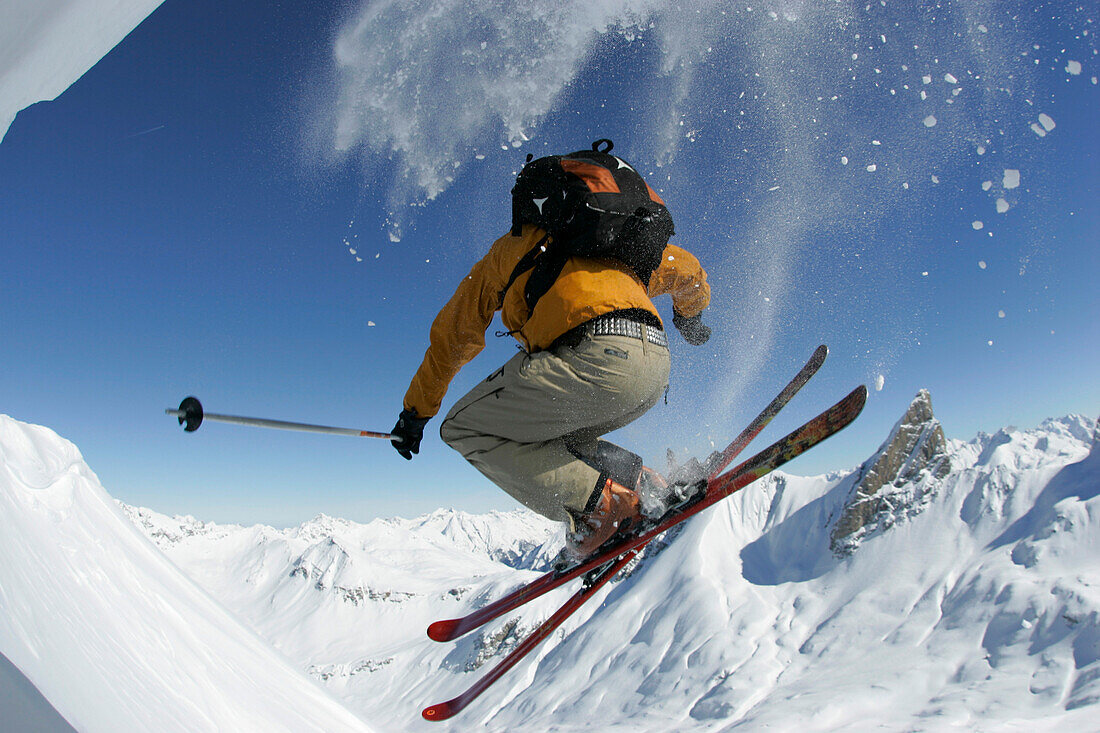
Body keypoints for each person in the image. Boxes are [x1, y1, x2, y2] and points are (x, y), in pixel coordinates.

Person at [390, 150, 711, 562]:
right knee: (554, 440)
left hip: (595, 356)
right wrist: (690, 316)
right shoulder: (620, 249)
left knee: (464, 429)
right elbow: (688, 268)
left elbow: (454, 335)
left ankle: (602, 509)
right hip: (653, 365)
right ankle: (643, 484)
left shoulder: (508, 251)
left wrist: (416, 411)